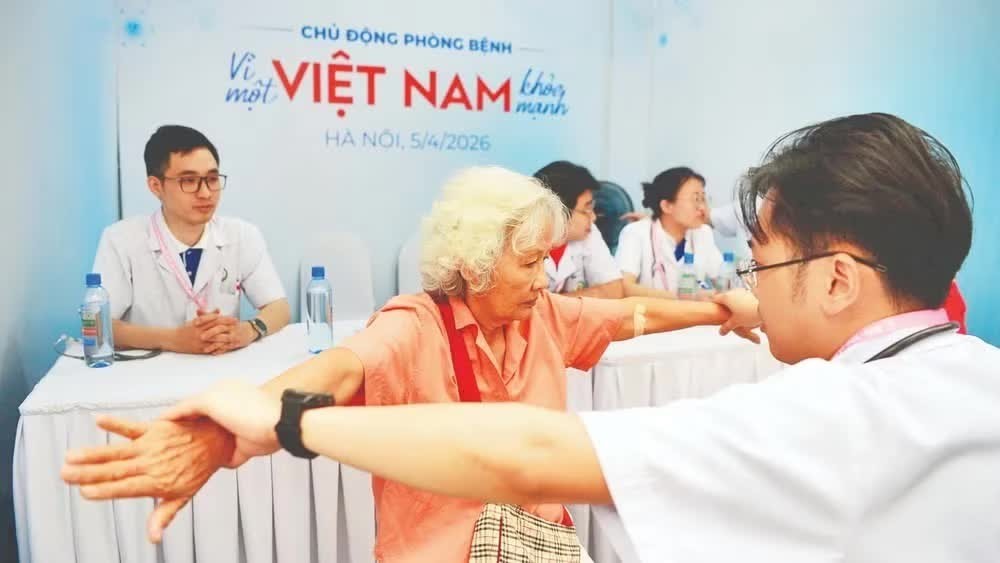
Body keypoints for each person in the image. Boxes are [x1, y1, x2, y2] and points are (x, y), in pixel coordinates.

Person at [63, 166, 760, 562]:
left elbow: (632, 316)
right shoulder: (413, 322)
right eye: (528, 262)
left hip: (538, 544)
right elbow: (339, 370)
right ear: (474, 263)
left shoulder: (544, 314)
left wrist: (721, 310)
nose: (545, 277)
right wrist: (224, 431)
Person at [92, 125, 289, 355]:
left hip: (221, 366)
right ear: (156, 186)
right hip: (149, 370)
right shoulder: (121, 240)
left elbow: (279, 307)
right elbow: (99, 326)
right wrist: (173, 340)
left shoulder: (242, 235)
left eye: (212, 179)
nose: (205, 193)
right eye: (189, 180)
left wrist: (248, 330)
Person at [533, 161, 674, 299]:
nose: (594, 217)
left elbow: (614, 289)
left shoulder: (588, 232)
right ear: (559, 212)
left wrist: (553, 304)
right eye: (586, 210)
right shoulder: (524, 239)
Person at [616, 167, 724, 295]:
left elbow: (725, 281)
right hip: (648, 308)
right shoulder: (636, 233)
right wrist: (681, 298)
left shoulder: (703, 233)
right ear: (667, 206)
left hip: (692, 308)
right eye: (696, 199)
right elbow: (624, 287)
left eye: (703, 199)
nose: (702, 207)